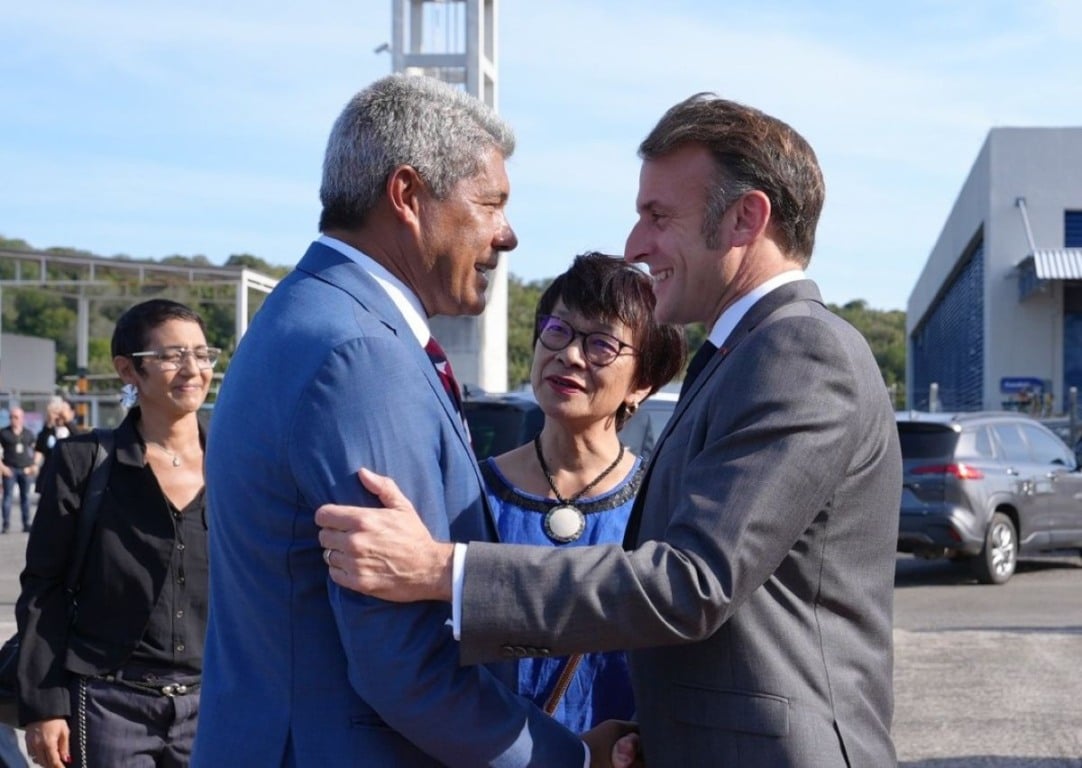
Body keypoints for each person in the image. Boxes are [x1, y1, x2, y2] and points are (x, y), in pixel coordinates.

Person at [316, 92, 904, 767]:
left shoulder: (799, 353)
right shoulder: (744, 355)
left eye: (658, 216)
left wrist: (439, 570)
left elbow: (692, 583)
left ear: (746, 218)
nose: (636, 245)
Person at [192, 74, 635, 768]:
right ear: (407, 196)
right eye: (490, 204)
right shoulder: (360, 353)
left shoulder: (305, 318)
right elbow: (405, 667)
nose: (507, 234)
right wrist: (569, 758)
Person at [482, 252, 684, 730]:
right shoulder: (471, 491)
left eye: (601, 344)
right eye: (558, 329)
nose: (569, 354)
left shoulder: (663, 505)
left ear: (644, 384)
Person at [16, 299, 214, 768]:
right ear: (129, 370)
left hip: (214, 704)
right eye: (171, 355)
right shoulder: (86, 462)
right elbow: (44, 588)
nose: (192, 369)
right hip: (109, 703)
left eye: (203, 354)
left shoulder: (239, 462)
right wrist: (44, 705)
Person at [1, 408, 38, 534]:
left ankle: (26, 523)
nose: (13, 419)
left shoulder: (28, 433)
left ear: (22, 418)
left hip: (25, 470)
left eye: (16, 417)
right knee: (7, 498)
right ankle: (6, 524)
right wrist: (2, 467)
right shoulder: (3, 433)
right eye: (11, 417)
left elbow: (36, 450)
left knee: (26, 498)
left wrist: (34, 465)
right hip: (9, 469)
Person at [33, 397, 80, 494]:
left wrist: (67, 421)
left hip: (68, 479)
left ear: (72, 412)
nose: (59, 414)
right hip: (49, 477)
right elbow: (40, 447)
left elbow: (80, 441)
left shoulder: (73, 431)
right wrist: (49, 423)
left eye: (63, 409)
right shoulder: (49, 431)